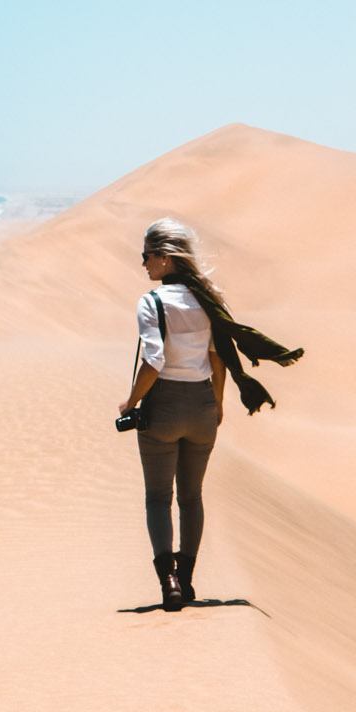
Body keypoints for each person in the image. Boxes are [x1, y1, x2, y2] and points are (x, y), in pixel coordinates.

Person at [117, 219, 227, 611]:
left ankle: (169, 583)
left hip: (162, 406)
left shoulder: (152, 302)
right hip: (201, 406)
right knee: (192, 497)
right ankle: (189, 578)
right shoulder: (208, 299)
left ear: (165, 258)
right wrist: (217, 406)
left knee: (158, 498)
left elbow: (153, 360)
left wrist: (131, 402)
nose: (144, 264)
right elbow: (218, 360)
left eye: (147, 256)